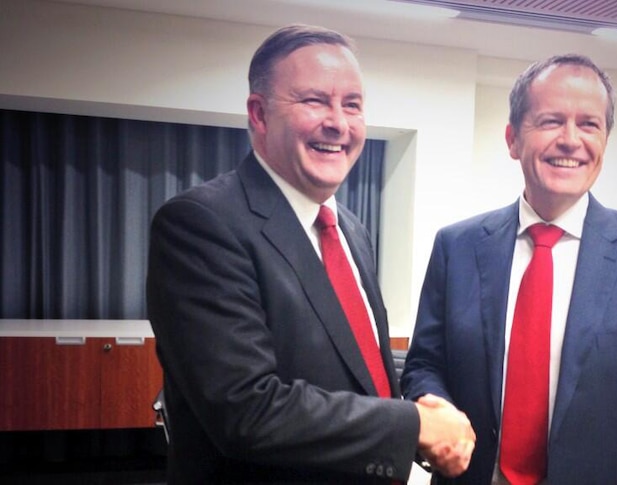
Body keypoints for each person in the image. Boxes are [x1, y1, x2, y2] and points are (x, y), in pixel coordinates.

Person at [147, 24, 474, 484]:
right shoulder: (201, 223)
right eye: (315, 101)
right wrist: (414, 427)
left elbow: (360, 379)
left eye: (353, 105)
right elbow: (247, 409)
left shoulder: (351, 232)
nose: (338, 123)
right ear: (259, 114)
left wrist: (415, 413)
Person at [400, 53, 617, 484]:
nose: (571, 140)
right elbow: (423, 364)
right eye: (551, 121)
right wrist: (435, 405)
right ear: (512, 139)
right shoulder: (457, 247)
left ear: (605, 141)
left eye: (589, 124)